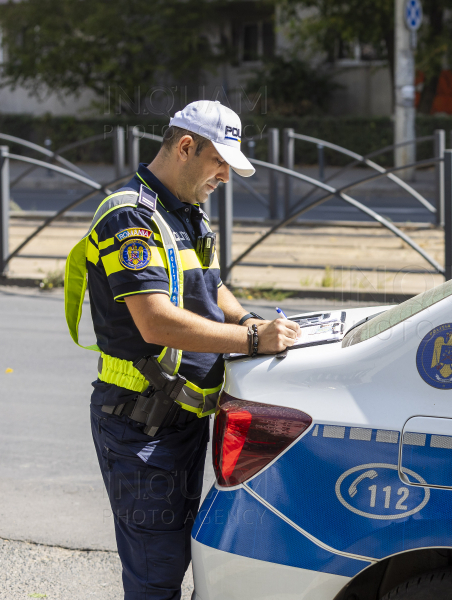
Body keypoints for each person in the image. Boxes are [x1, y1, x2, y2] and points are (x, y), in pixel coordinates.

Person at [63, 100, 301, 599]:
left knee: (189, 563)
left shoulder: (186, 213)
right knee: (157, 576)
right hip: (140, 428)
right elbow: (154, 321)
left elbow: (212, 287)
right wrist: (253, 340)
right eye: (220, 163)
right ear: (186, 146)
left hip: (185, 419)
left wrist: (247, 319)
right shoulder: (131, 215)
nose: (225, 178)